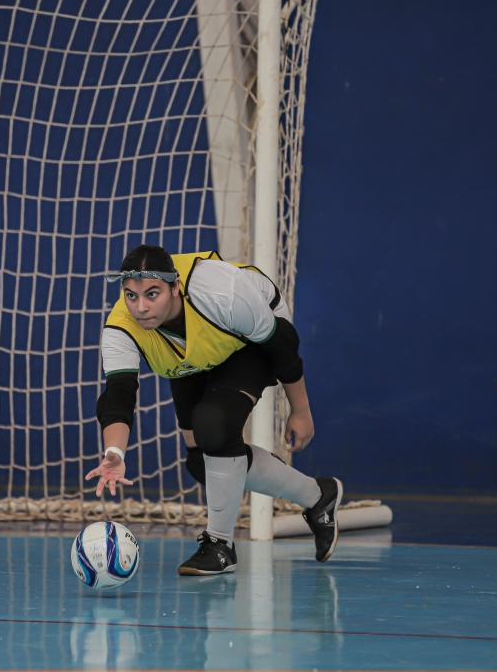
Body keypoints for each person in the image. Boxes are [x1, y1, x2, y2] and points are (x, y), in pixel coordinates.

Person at [85, 245, 343, 575]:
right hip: (198, 352)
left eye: (152, 294)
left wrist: (301, 410)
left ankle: (220, 546)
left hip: (250, 337)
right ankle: (318, 497)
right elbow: (119, 395)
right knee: (202, 462)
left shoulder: (222, 293)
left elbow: (281, 345)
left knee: (213, 427)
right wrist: (114, 453)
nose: (141, 307)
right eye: (131, 295)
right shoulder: (121, 325)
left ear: (175, 287)